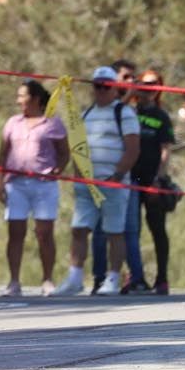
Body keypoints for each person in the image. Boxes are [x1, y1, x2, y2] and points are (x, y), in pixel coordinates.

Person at [57, 66, 139, 297]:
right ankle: (74, 277)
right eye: (97, 86)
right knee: (79, 229)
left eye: (107, 86)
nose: (102, 90)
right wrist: (77, 176)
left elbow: (133, 148)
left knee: (114, 232)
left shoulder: (124, 113)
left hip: (113, 183)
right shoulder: (86, 114)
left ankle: (113, 278)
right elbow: (77, 147)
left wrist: (118, 175)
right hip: (86, 185)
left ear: (114, 88)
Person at [0, 79, 67, 297]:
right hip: (16, 184)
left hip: (44, 185)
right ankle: (14, 281)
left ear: (35, 99)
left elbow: (64, 152)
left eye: (22, 96)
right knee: (15, 232)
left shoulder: (52, 124)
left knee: (44, 233)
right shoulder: (12, 123)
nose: (19, 101)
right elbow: (2, 154)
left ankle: (47, 279)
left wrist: (59, 169)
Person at [91, 63, 149, 293]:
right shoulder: (112, 107)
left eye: (132, 78)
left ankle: (137, 278)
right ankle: (100, 276)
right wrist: (128, 95)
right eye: (124, 78)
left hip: (131, 179)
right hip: (107, 178)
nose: (129, 82)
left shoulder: (137, 107)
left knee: (130, 231)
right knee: (100, 230)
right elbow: (110, 115)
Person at [131, 70, 179, 295]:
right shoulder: (129, 110)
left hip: (152, 179)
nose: (148, 88)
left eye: (153, 84)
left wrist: (159, 180)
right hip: (130, 177)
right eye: (144, 84)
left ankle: (162, 278)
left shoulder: (161, 116)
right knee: (131, 230)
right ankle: (134, 276)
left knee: (157, 229)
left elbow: (165, 150)